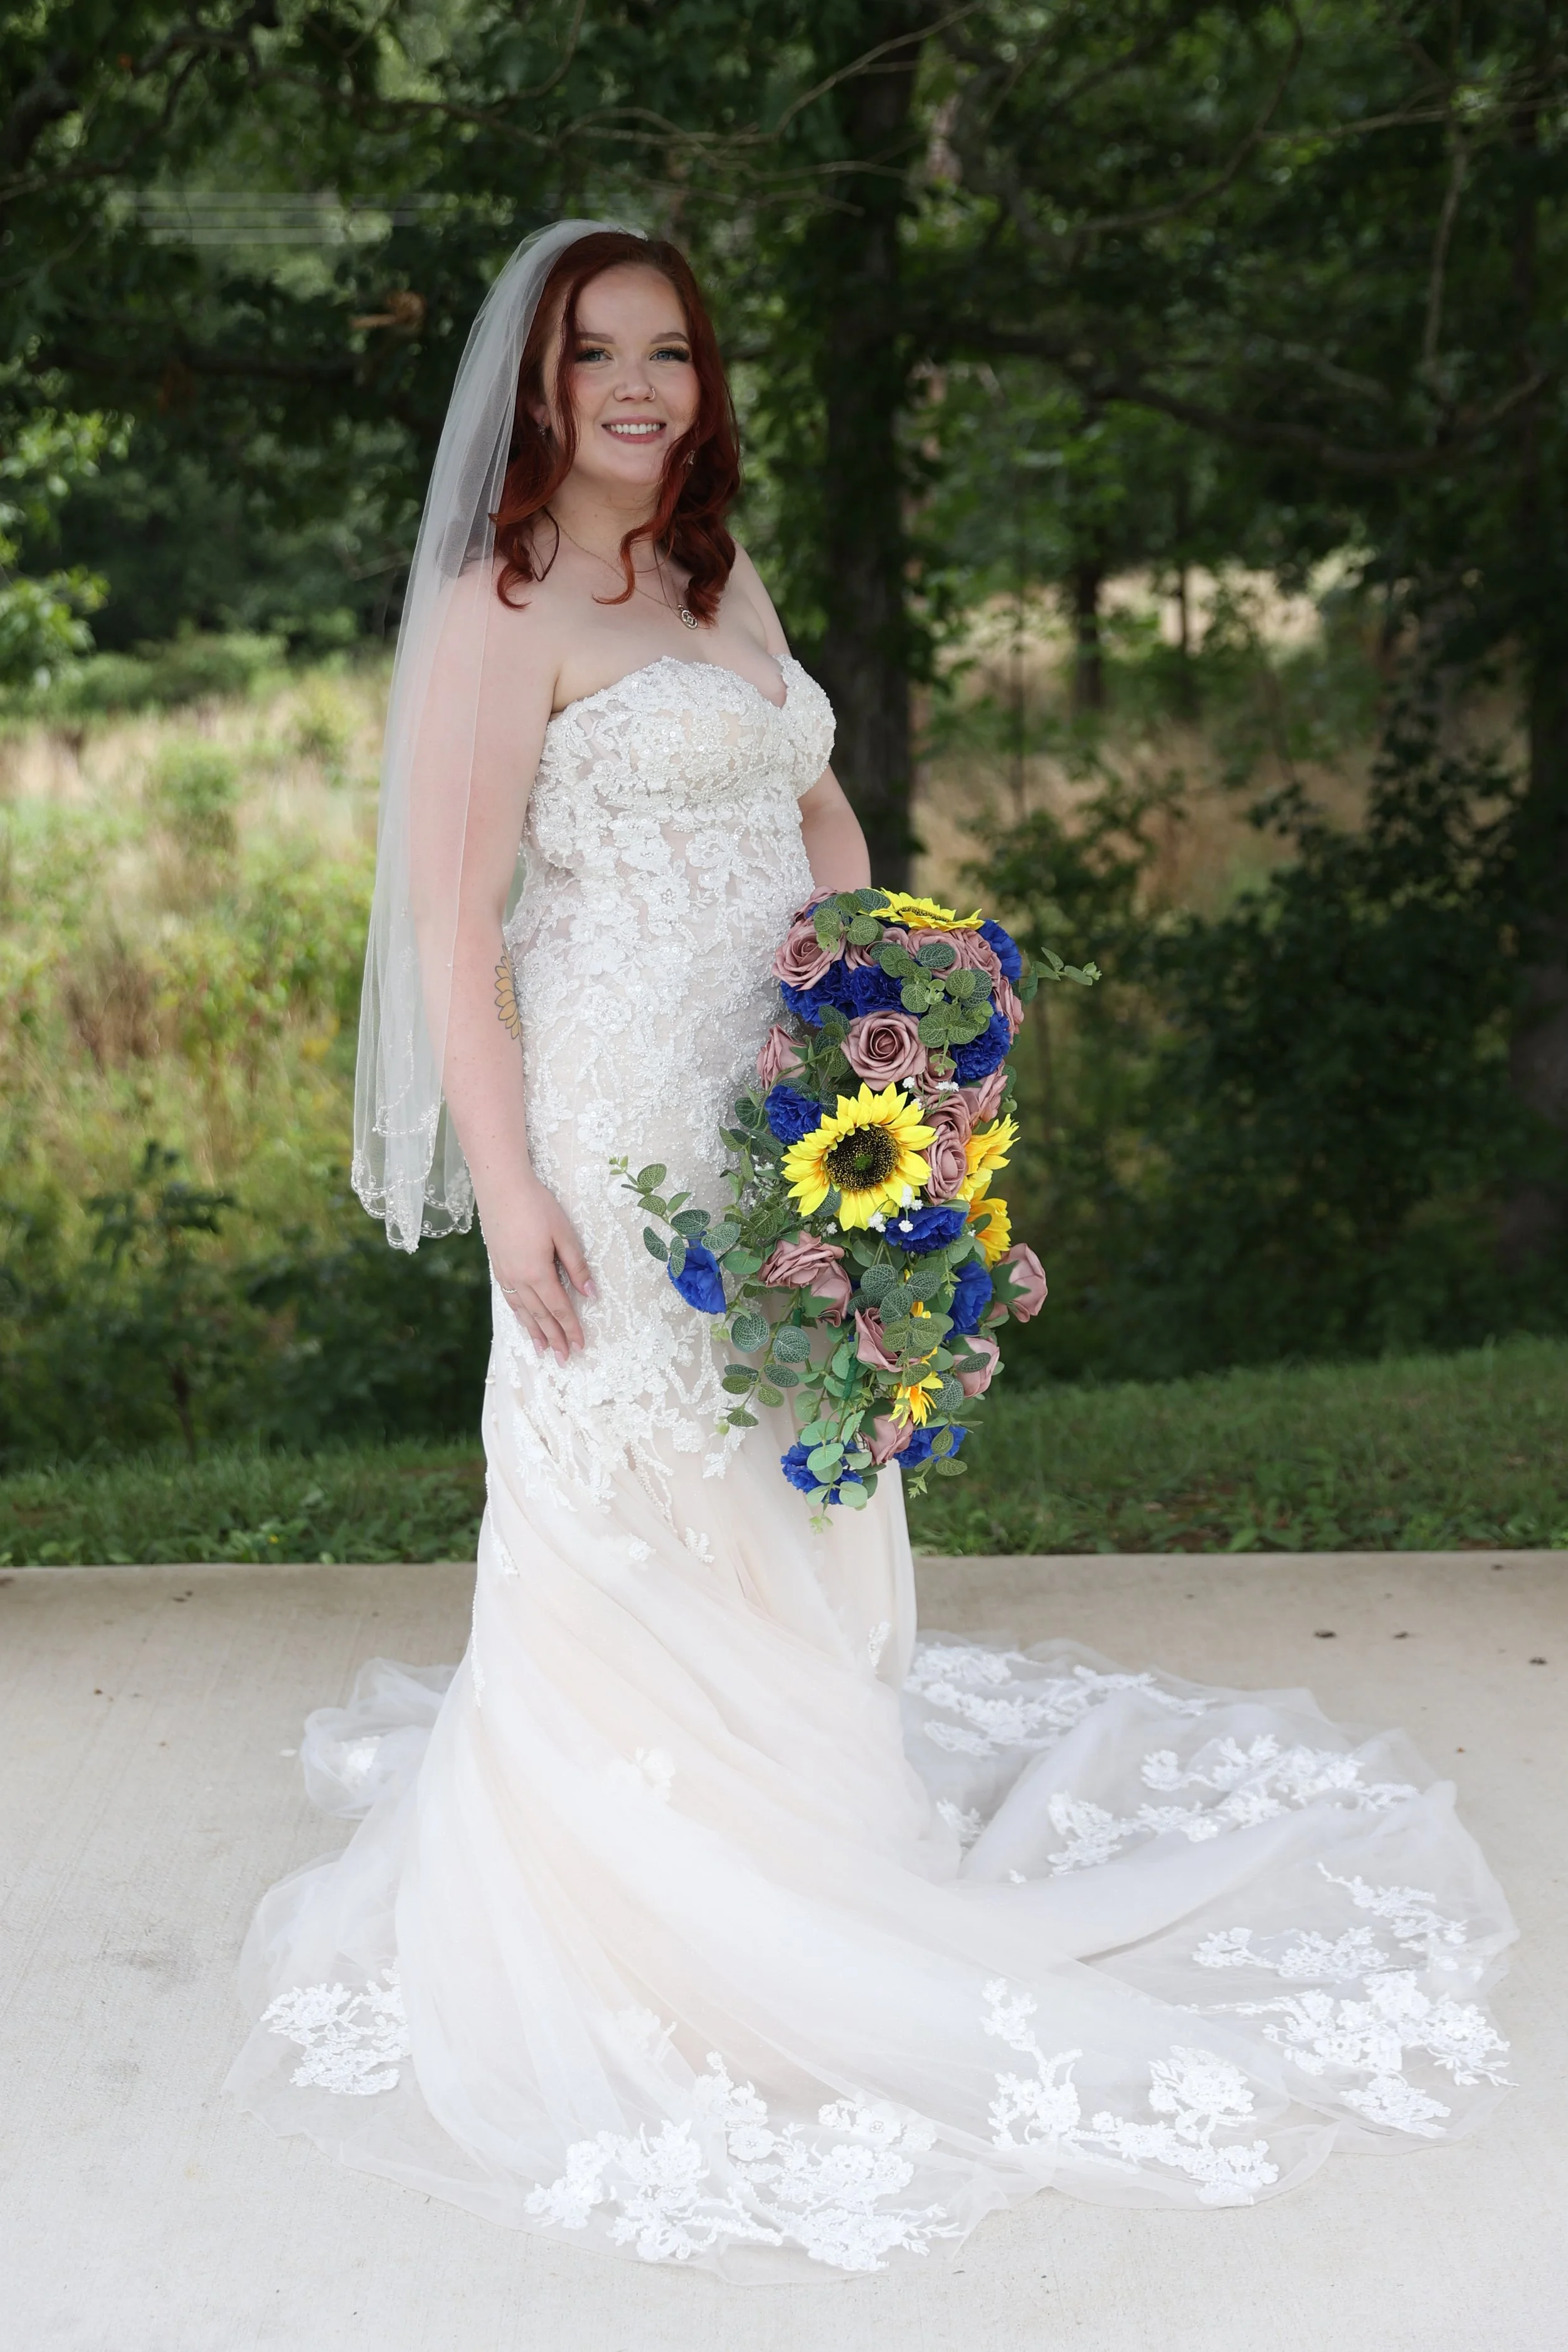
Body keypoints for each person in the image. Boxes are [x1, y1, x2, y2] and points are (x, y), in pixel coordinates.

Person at [226, 223, 1514, 2282]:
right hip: (621, 1127)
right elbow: (458, 938)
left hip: (786, 1104)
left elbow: (813, 809)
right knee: (644, 1470)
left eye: (668, 351)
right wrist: (517, 1191)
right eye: (596, 358)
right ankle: (664, 1881)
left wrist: (881, 1003)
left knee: (802, 1440)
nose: (640, 389)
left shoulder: (717, 573)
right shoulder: (505, 610)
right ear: (537, 392)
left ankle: (817, 1817)